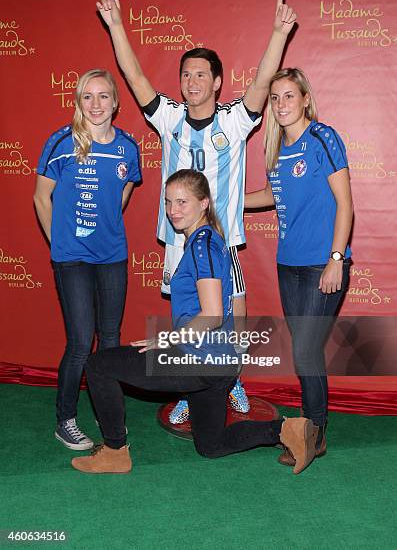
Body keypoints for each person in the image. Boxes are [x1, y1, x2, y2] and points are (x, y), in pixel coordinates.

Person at [96, 0, 297, 422]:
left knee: (233, 317)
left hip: (221, 242)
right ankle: (191, 384)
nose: (192, 81)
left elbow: (263, 83)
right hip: (178, 241)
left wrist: (279, 35)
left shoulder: (236, 120)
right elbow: (134, 76)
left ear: (217, 81)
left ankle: (233, 379)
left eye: (201, 74)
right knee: (189, 315)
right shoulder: (168, 117)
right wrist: (115, 25)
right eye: (186, 74)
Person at [71, 169, 316, 475]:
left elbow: (212, 315)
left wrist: (166, 340)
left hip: (199, 360)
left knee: (98, 365)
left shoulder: (203, 245)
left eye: (183, 202)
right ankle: (287, 430)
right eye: (169, 202)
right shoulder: (208, 240)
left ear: (204, 203)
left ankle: (115, 452)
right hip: (217, 364)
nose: (173, 210)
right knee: (210, 445)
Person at [245, 67, 353, 466]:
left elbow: (345, 203)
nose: (281, 104)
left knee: (306, 350)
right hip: (287, 265)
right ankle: (312, 428)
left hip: (321, 266)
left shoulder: (323, 138)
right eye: (275, 98)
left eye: (289, 96)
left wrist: (336, 260)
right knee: (305, 351)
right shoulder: (275, 149)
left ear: (305, 99)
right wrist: (229, 201)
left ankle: (313, 433)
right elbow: (270, 197)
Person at [34, 69, 142, 450]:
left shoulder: (128, 147)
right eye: (87, 97)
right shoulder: (61, 142)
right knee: (81, 342)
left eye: (103, 96)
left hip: (112, 256)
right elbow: (40, 197)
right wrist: (58, 244)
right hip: (72, 259)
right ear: (77, 102)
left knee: (110, 340)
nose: (95, 104)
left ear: (115, 101)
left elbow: (125, 189)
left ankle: (106, 410)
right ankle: (65, 418)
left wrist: (107, 222)